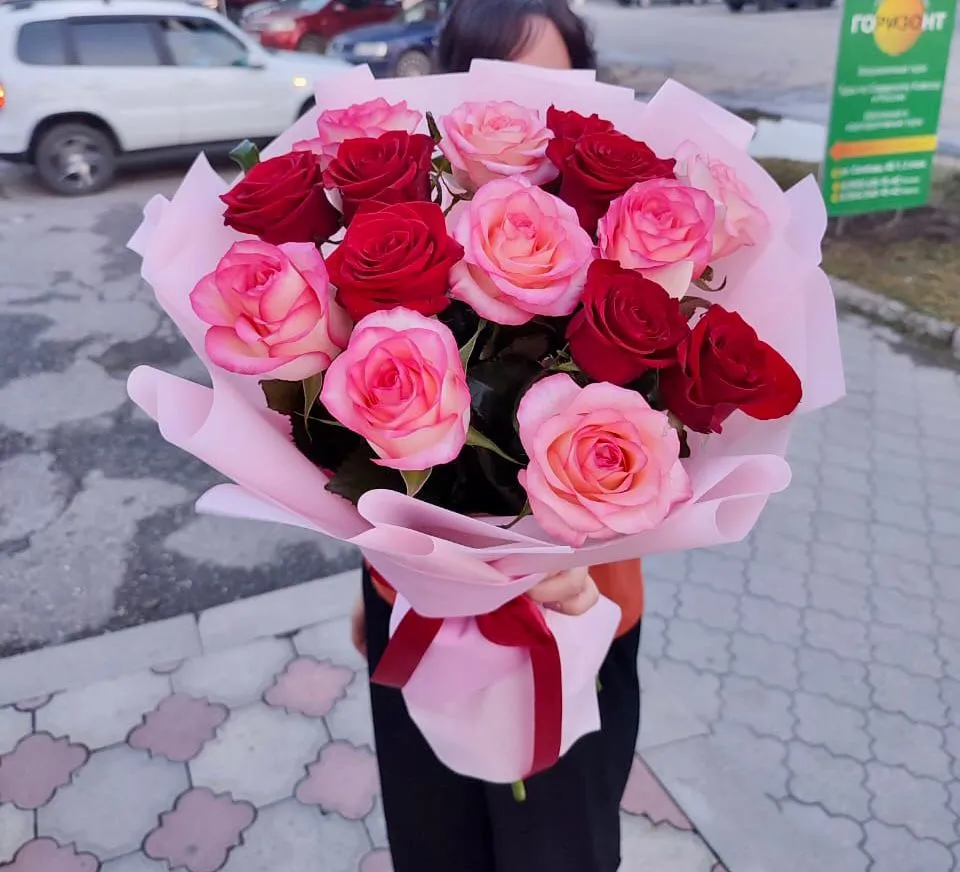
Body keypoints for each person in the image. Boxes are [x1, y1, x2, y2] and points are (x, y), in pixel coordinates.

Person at [350, 2, 645, 869]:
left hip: (575, 610)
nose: (524, 127)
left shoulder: (618, 237)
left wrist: (583, 558)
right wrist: (377, 582)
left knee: (559, 843)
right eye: (500, 93)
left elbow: (661, 449)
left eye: (549, 92)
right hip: (416, 604)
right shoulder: (412, 221)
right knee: (431, 833)